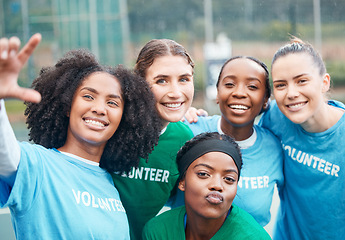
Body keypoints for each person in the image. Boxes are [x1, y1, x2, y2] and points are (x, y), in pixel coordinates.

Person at [0, 34, 162, 239]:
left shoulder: (110, 183)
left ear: (124, 118)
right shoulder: (38, 165)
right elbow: (4, 155)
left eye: (112, 103)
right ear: (68, 106)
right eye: (88, 96)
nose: (99, 109)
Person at [259, 37, 345, 239]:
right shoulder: (275, 117)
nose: (291, 93)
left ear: (324, 82)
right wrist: (194, 117)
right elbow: (234, 129)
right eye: (280, 85)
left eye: (301, 81)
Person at [176, 56, 284, 227]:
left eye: (253, 87)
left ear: (265, 101)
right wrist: (176, 115)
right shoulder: (188, 130)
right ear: (217, 93)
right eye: (229, 84)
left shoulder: (275, 148)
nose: (239, 93)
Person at [111, 39, 195, 239]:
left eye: (184, 79)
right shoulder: (112, 125)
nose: (175, 93)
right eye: (161, 81)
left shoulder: (184, 139)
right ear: (139, 84)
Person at [142, 132, 271, 240]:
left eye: (229, 179)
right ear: (182, 182)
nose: (217, 185)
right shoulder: (158, 231)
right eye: (203, 174)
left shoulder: (254, 237)